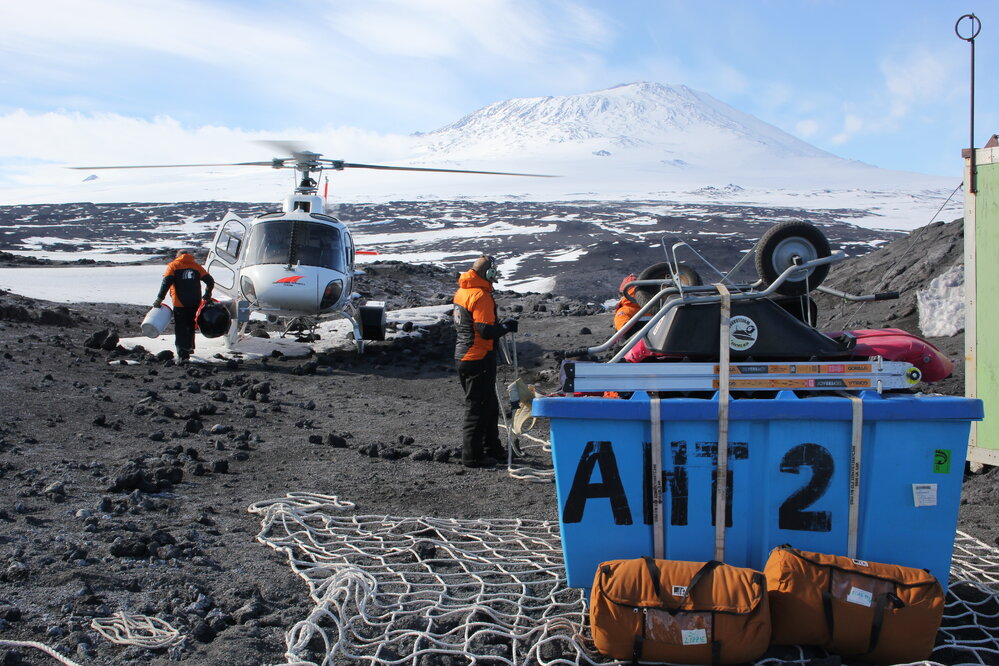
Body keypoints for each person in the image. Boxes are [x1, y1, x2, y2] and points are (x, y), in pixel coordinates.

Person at [452, 255, 518, 468]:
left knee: (488, 405)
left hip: (464, 356)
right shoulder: (481, 296)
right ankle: (472, 456)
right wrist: (506, 327)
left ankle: (493, 448)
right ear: (488, 274)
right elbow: (485, 330)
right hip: (478, 357)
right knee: (477, 408)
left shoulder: (463, 291)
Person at [153, 249, 215, 362]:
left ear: (178, 256)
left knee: (181, 327)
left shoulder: (174, 266)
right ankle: (190, 347)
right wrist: (207, 294)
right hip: (195, 302)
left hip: (180, 303)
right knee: (191, 325)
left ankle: (183, 355)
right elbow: (210, 281)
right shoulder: (196, 266)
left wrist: (159, 299)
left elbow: (166, 283)